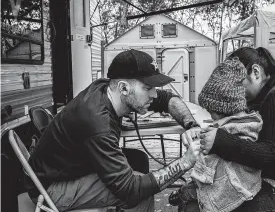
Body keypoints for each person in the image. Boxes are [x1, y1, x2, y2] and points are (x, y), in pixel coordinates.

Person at [25, 49, 202, 212]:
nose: (154, 94)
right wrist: (185, 162)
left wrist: (191, 125)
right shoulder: (97, 123)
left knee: (138, 160)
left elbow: (167, 98)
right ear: (123, 88)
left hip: (73, 167)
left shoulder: (108, 88)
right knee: (140, 196)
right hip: (51, 187)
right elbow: (131, 191)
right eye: (148, 88)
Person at [185, 47, 275, 212]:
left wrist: (219, 141)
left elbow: (272, 155)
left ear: (255, 72)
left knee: (203, 206)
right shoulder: (266, 96)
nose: (235, 90)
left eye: (237, 82)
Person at [169, 58, 263, 212]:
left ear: (221, 109)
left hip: (234, 190)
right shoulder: (243, 121)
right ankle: (191, 190)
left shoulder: (239, 130)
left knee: (189, 207)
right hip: (234, 184)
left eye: (210, 111)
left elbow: (227, 169)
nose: (210, 115)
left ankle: (191, 192)